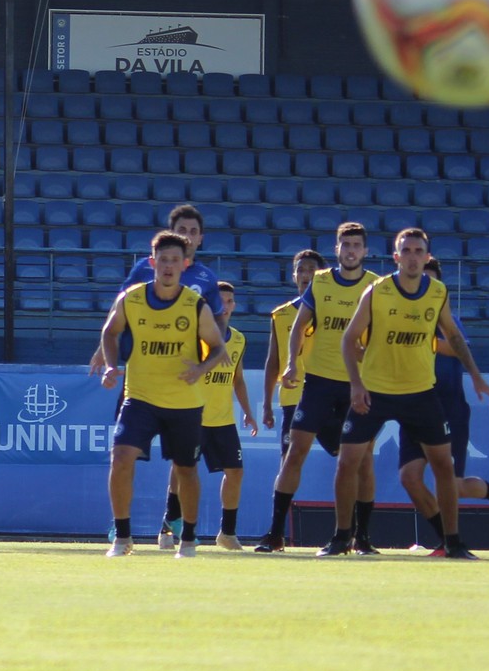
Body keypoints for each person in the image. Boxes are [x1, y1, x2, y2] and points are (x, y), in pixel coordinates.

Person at [325, 228, 489, 559]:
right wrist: (356, 385)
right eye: (407, 250)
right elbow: (348, 339)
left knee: (444, 466)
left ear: (427, 256)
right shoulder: (378, 291)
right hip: (376, 390)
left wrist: (476, 376)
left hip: (419, 393)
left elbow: (454, 337)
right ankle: (341, 537)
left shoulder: (438, 292)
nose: (413, 257)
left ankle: (453, 542)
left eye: (419, 251)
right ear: (396, 257)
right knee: (347, 462)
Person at [90, 202, 224, 548]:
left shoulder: (196, 303)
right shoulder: (132, 297)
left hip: (183, 400)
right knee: (121, 457)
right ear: (152, 263)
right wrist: (110, 363)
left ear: (185, 264)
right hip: (140, 396)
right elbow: (110, 331)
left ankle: (187, 536)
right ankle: (121, 536)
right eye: (163, 260)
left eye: (174, 261)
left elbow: (218, 346)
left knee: (186, 468)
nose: (168, 266)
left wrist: (201, 367)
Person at [263, 223, 384, 553]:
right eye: (346, 245)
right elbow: (299, 325)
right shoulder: (321, 281)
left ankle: (360, 537)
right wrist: (291, 362)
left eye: (356, 245)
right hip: (318, 382)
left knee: (361, 462)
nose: (351, 250)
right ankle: (275, 534)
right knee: (294, 454)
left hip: (357, 385)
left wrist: (370, 356)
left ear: (365, 251)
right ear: (337, 249)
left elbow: (382, 334)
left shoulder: (377, 286)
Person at [398, 258, 489, 552]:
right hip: (414, 407)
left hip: (449, 410)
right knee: (409, 478)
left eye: (430, 281)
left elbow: (459, 349)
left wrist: (423, 338)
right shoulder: (401, 317)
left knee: (452, 486)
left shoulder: (446, 319)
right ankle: (446, 540)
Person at [168, 279, 258, 550]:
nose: (225, 306)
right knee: (182, 471)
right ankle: (169, 525)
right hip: (193, 416)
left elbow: (237, 379)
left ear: (235, 305)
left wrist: (248, 412)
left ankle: (227, 533)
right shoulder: (195, 336)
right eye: (220, 301)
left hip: (222, 420)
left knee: (235, 472)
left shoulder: (239, 339)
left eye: (230, 301)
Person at [255, 250, 322, 548]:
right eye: (301, 270)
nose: (306, 275)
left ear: (322, 275)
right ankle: (276, 533)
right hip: (294, 398)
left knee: (352, 460)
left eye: (312, 269)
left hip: (330, 395)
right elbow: (273, 361)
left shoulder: (334, 310)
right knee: (288, 462)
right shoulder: (281, 315)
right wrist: (268, 404)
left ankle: (356, 535)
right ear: (293, 275)